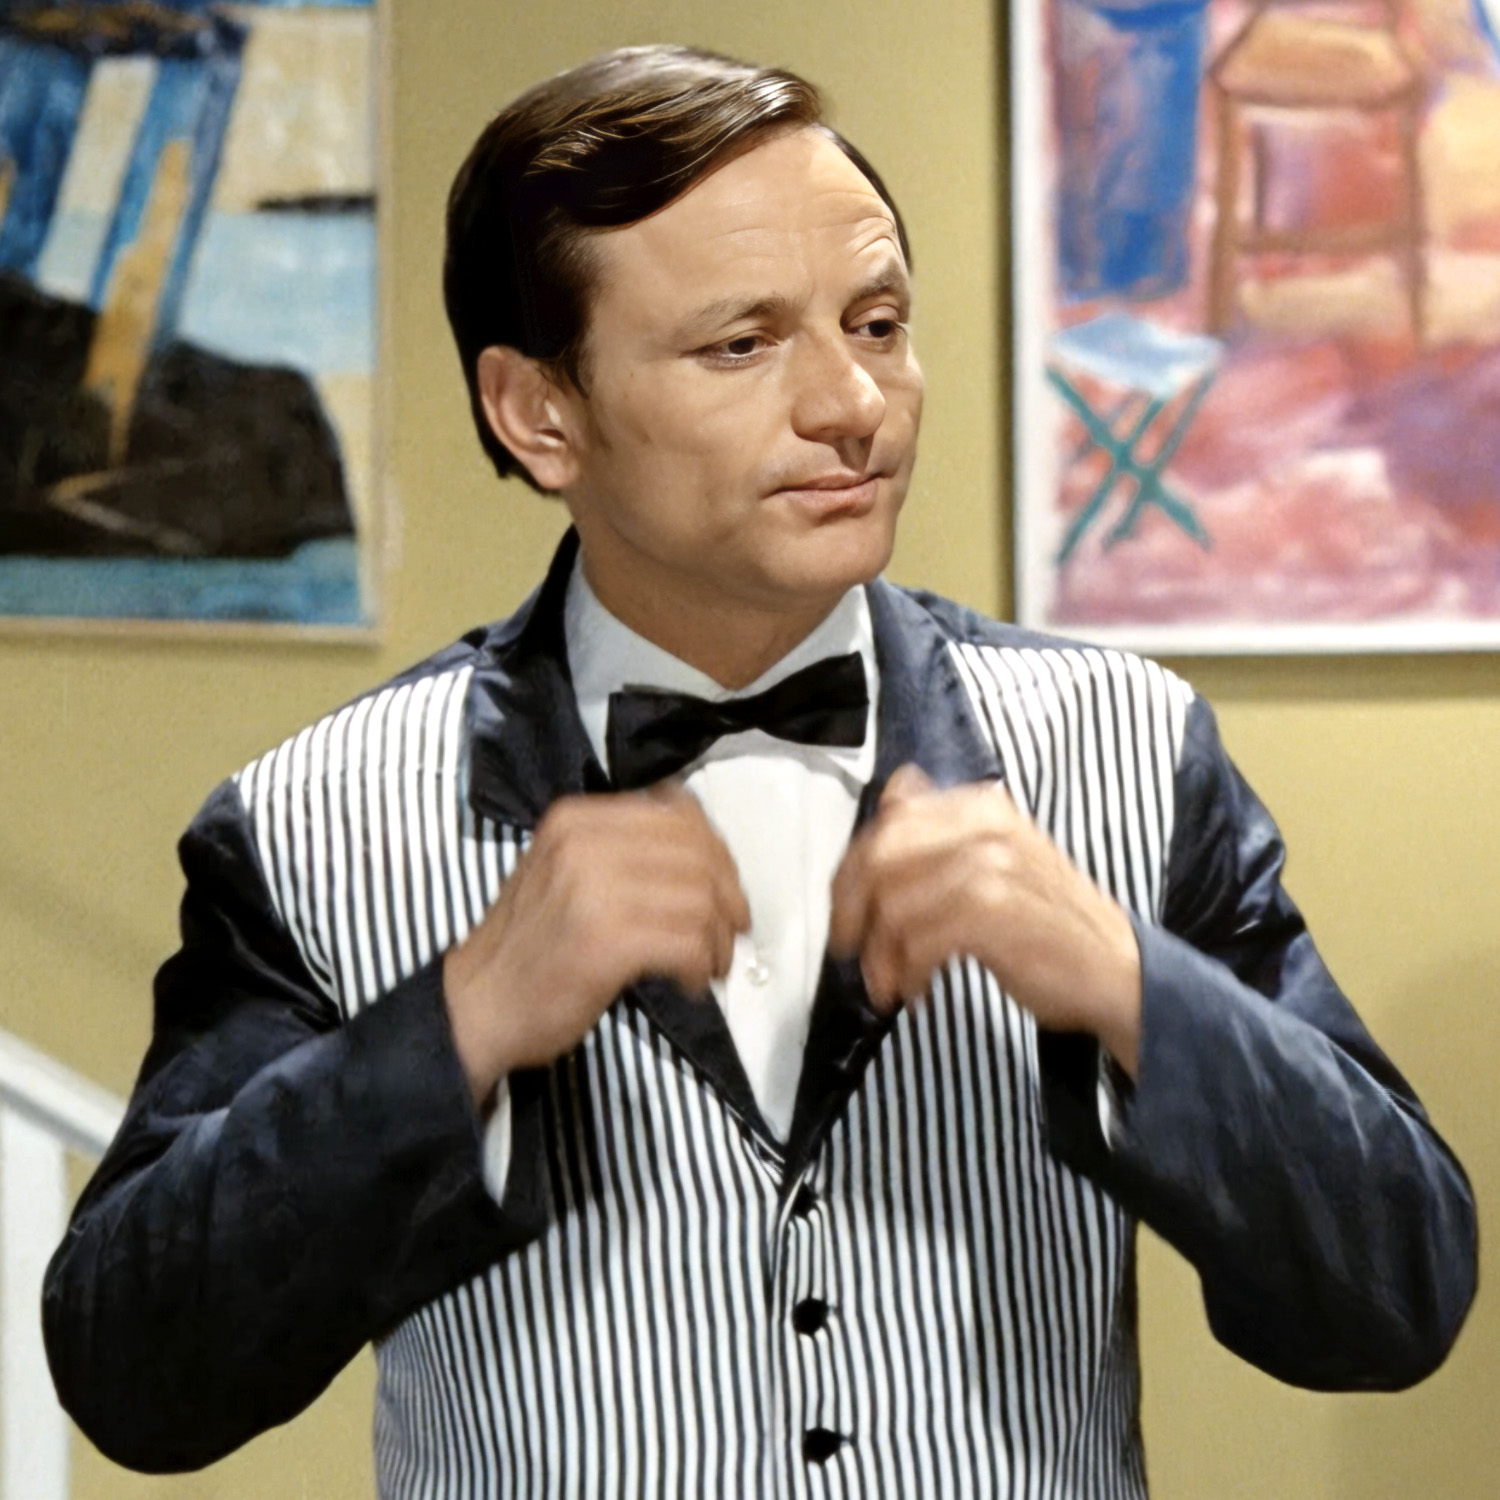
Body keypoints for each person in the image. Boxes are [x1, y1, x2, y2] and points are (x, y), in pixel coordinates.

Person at [44, 43, 1476, 1498]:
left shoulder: (1131, 748)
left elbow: (1398, 1293)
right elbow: (139, 1378)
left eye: (878, 324)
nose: (854, 402)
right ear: (538, 412)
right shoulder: (313, 822)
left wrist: (1131, 984)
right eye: (741, 345)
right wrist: (458, 1023)